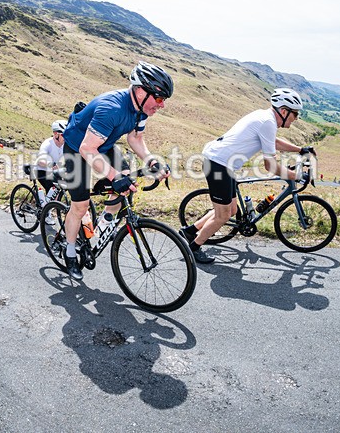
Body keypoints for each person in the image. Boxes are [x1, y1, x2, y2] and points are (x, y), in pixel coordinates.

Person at [61, 61, 173, 280]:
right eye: (159, 99)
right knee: (80, 206)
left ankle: (102, 226)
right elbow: (86, 148)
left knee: (127, 185)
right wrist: (113, 175)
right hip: (77, 148)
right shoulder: (111, 109)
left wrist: (151, 160)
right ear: (140, 91)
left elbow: (135, 138)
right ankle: (70, 251)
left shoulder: (141, 109)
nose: (162, 105)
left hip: (104, 145)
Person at [180, 88, 316, 264]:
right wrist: (296, 175)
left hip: (223, 163)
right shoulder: (267, 122)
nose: (296, 118)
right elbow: (270, 166)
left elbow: (273, 142)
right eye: (295, 114)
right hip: (219, 164)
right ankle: (193, 248)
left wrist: (300, 149)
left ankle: (190, 231)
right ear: (284, 111)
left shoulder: (265, 117)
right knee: (223, 215)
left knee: (232, 210)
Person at [36, 120, 67, 200]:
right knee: (53, 190)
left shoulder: (66, 145)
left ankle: (49, 204)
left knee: (61, 189)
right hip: (42, 170)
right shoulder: (47, 144)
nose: (66, 137)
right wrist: (52, 164)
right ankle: (46, 206)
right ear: (56, 134)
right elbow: (40, 160)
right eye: (63, 135)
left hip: (55, 172)